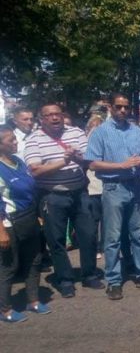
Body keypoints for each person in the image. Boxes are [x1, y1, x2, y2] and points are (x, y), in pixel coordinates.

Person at [85, 93, 140, 300]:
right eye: (118, 107)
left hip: (136, 187)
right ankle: (114, 280)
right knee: (112, 238)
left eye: (126, 107)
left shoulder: (136, 131)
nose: (122, 111)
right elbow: (92, 163)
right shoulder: (100, 132)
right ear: (111, 107)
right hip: (113, 188)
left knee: (138, 233)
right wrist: (121, 165)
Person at [24, 103, 102, 298]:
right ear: (42, 118)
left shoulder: (75, 132)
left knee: (89, 235)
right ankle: (65, 279)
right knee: (56, 240)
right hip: (52, 196)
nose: (54, 118)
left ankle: (90, 274)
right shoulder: (34, 139)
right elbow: (35, 170)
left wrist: (77, 158)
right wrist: (63, 162)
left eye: (57, 114)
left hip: (79, 192)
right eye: (49, 115)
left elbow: (89, 159)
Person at [0, 125, 51, 323]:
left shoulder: (18, 162)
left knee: (34, 260)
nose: (15, 142)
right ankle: (5, 309)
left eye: (15, 138)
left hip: (28, 218)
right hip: (9, 222)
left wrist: (37, 214)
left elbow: (31, 190)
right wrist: (1, 232)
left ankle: (33, 300)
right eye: (10, 140)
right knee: (9, 267)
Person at [85, 115, 104, 259]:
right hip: (92, 187)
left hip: (105, 186)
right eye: (94, 126)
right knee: (93, 220)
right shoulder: (86, 142)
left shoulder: (105, 142)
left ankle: (102, 246)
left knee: (106, 220)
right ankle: (95, 247)